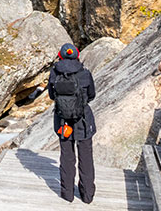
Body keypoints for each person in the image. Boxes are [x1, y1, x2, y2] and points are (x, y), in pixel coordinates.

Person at [48, 42, 96, 204]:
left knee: (67, 157)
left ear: (60, 56)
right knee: (86, 156)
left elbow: (51, 96)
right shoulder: (85, 73)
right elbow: (91, 95)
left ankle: (67, 194)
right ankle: (87, 196)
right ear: (77, 55)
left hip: (63, 121)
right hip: (83, 120)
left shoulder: (55, 73)